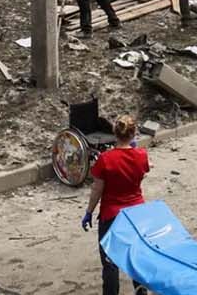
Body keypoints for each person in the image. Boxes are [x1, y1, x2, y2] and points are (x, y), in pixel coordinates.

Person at [82, 115, 148, 295]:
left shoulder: (105, 159)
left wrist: (89, 212)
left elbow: (97, 189)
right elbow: (142, 174)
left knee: (110, 263)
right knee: (136, 259)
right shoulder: (141, 155)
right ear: (134, 133)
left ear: (114, 133)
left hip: (111, 215)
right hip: (136, 213)